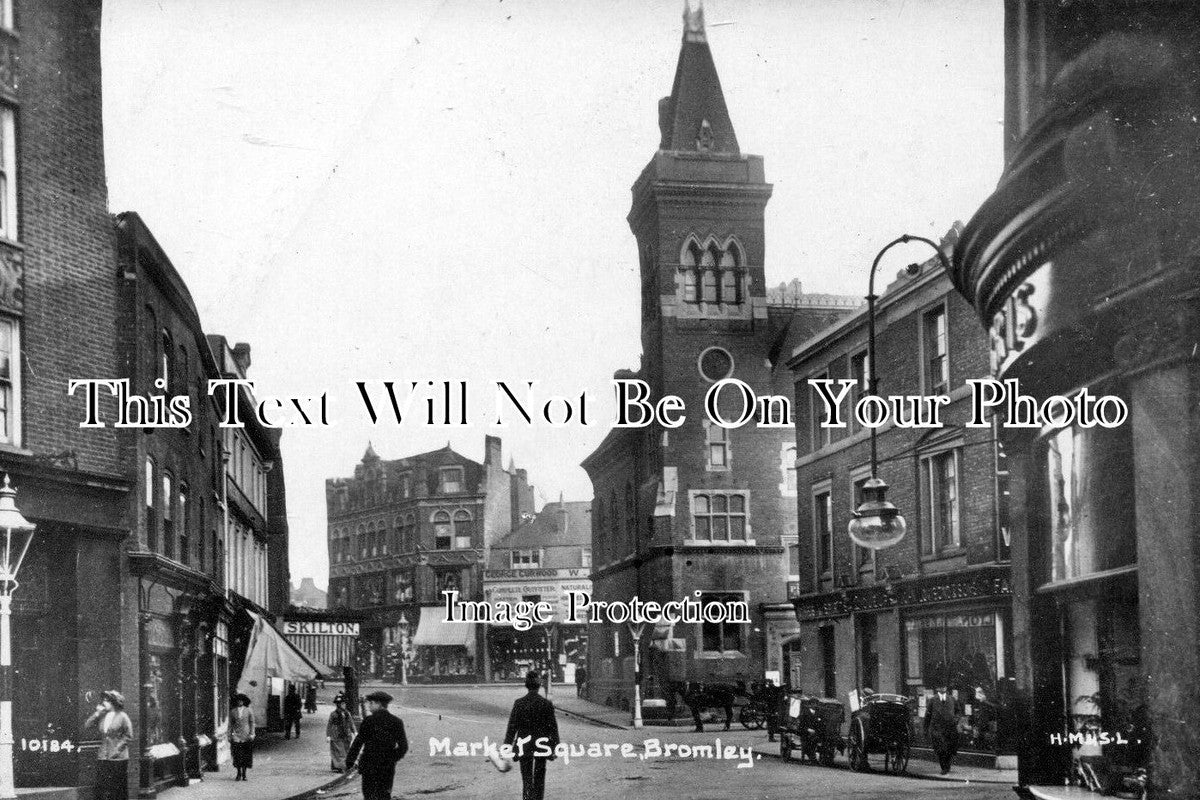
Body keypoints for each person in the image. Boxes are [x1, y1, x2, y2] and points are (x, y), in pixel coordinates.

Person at [504, 672, 560, 800]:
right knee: (540, 777)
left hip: (524, 745)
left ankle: (527, 798)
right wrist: (556, 746)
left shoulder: (519, 703)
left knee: (526, 778)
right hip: (542, 745)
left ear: (526, 685)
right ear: (539, 685)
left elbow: (512, 727)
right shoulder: (546, 704)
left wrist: (507, 745)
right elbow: (553, 727)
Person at [346, 690, 408, 800]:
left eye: (371, 703)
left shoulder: (369, 721)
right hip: (387, 767)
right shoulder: (396, 721)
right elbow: (403, 747)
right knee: (384, 795)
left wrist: (350, 760)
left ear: (379, 704)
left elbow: (358, 742)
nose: (369, 706)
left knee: (369, 795)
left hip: (369, 765)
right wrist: (391, 758)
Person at [84, 690, 132, 800]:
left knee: (118, 787)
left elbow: (128, 735)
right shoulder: (103, 716)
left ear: (114, 702)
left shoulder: (122, 716)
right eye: (104, 700)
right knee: (101, 785)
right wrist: (97, 713)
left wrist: (117, 749)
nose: (104, 703)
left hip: (118, 758)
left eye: (107, 700)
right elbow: (87, 725)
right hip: (103, 756)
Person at [924, 685, 960, 775]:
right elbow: (927, 715)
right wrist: (926, 728)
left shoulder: (952, 699)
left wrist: (955, 720)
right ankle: (944, 767)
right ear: (937, 689)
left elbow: (958, 711)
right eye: (941, 687)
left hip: (950, 727)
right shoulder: (932, 700)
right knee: (940, 748)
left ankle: (947, 766)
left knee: (949, 748)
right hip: (937, 728)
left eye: (944, 687)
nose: (943, 688)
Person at [326, 693, 357, 772]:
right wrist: (328, 735)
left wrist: (354, 732)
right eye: (342, 704)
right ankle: (341, 767)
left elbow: (351, 723)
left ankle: (337, 766)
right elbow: (329, 725)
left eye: (344, 703)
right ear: (338, 705)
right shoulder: (333, 714)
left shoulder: (347, 713)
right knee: (339, 751)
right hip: (337, 735)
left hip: (346, 735)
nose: (344, 705)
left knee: (345, 750)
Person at [230, 693, 256, 781]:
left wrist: (252, 733)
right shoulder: (233, 711)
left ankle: (244, 774)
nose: (240, 702)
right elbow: (230, 724)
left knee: (245, 755)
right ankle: (238, 773)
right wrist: (230, 735)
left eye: (241, 701)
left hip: (246, 735)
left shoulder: (248, 710)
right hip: (236, 735)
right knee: (237, 755)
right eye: (238, 701)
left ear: (244, 702)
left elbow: (252, 723)